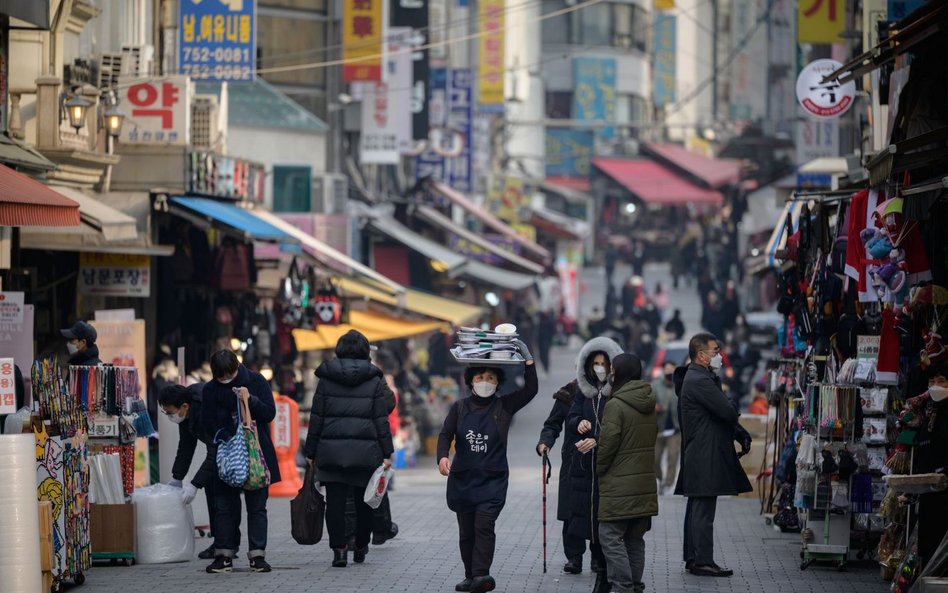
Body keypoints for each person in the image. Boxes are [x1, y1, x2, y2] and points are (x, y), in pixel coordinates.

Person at [438, 338, 537, 593]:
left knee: (484, 526)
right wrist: (442, 456)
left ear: (498, 383)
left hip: (492, 481)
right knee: (466, 532)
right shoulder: (459, 408)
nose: (485, 382)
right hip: (463, 479)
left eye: (491, 378)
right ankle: (470, 575)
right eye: (480, 376)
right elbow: (445, 435)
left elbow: (531, 390)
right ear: (471, 380)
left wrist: (528, 361)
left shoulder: (504, 406)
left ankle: (482, 574)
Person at [303, 330, 395, 568]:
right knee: (364, 502)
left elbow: (317, 418)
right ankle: (361, 545)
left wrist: (310, 451)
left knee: (334, 504)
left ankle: (339, 550)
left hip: (331, 452)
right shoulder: (374, 380)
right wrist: (387, 452)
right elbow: (380, 420)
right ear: (366, 351)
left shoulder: (326, 379)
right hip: (365, 453)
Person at [674, 333, 751, 577]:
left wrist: (739, 432)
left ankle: (694, 557)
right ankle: (703, 560)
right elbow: (726, 410)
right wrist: (734, 417)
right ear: (701, 355)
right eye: (715, 351)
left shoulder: (701, 377)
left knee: (698, 506)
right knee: (704, 510)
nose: (720, 356)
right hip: (704, 452)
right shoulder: (699, 380)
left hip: (701, 450)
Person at [202, 350, 281, 574]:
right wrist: (224, 435)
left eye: (230, 374)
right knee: (224, 507)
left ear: (237, 367)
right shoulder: (210, 389)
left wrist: (250, 401)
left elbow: (269, 413)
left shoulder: (256, 381)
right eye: (221, 376)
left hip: (256, 453)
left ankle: (257, 556)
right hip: (227, 456)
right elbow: (206, 423)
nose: (226, 379)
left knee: (257, 507)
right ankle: (224, 556)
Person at [566, 336, 624, 593]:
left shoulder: (618, 394)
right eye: (596, 363)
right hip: (585, 468)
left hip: (610, 469)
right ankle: (596, 568)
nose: (600, 368)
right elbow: (571, 416)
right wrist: (578, 422)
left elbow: (620, 430)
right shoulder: (583, 391)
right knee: (587, 521)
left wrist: (598, 440)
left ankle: (605, 573)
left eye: (604, 363)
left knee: (607, 525)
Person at [596, 353, 658, 593]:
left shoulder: (616, 405)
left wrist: (600, 468)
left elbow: (608, 445)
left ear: (619, 373)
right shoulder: (648, 401)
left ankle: (623, 587)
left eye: (612, 369)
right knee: (634, 539)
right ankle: (634, 586)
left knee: (609, 536)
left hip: (619, 485)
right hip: (643, 483)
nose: (610, 373)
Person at [158, 384, 217, 560]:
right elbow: (186, 447)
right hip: (217, 450)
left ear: (184, 406)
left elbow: (215, 450)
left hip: (229, 450)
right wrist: (177, 478)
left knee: (220, 496)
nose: (169, 417)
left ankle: (225, 545)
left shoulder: (207, 409)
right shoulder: (186, 416)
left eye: (170, 413)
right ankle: (222, 544)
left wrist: (195, 484)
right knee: (212, 489)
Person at [536, 379, 586, 574]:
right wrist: (545, 442)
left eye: (601, 364)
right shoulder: (569, 393)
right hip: (572, 461)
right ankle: (574, 557)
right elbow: (552, 424)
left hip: (600, 461)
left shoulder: (609, 392)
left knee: (596, 511)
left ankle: (600, 558)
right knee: (571, 509)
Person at [910, 361, 948, 563]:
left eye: (942, 381)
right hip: (929, 489)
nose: (936, 386)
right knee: (928, 545)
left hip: (944, 487)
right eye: (932, 381)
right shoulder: (930, 412)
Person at [652, 362, 681, 495]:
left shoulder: (680, 385)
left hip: (674, 430)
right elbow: (648, 401)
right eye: (667, 369)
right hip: (658, 429)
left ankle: (668, 484)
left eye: (672, 370)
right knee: (655, 458)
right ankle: (659, 479)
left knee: (673, 457)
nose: (669, 372)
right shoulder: (656, 385)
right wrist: (655, 407)